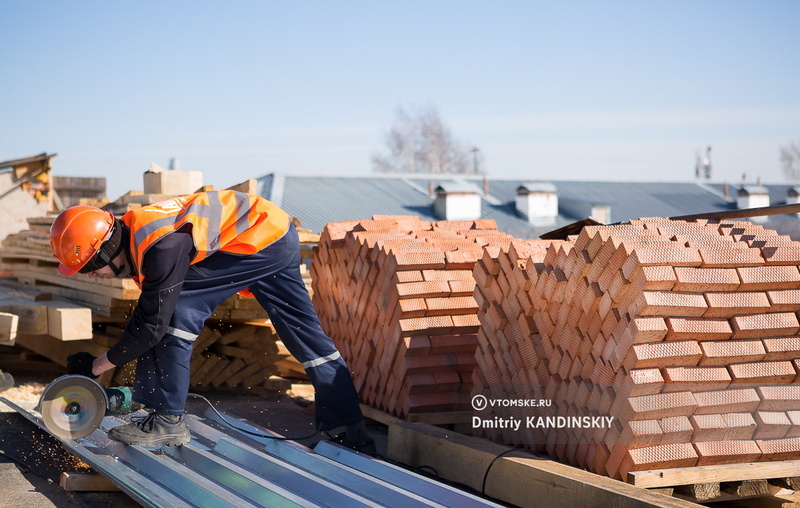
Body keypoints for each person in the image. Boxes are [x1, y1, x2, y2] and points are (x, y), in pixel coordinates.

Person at [49, 190, 375, 453]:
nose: (93, 275)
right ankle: (348, 430)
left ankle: (167, 420)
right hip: (275, 231)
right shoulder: (140, 235)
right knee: (308, 338)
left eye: (90, 267)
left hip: (258, 240)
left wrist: (94, 367)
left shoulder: (160, 247)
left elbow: (152, 325)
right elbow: (148, 317)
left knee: (175, 314)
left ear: (104, 250)